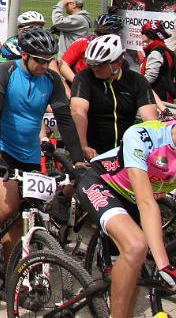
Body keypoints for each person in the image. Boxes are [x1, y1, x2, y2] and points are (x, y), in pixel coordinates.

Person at [0, 28, 87, 282]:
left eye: (48, 59)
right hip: (2, 147)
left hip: (29, 153)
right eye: (39, 60)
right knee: (8, 206)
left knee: (21, 218)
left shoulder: (51, 80)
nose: (44, 65)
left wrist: (78, 159)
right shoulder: (4, 72)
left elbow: (65, 119)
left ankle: (11, 280)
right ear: (25, 55)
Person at [74, 119, 176, 318]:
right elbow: (146, 203)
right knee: (136, 245)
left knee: (133, 282)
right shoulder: (145, 136)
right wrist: (164, 265)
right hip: (102, 184)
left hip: (134, 199)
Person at [72, 33, 159, 159]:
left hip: (127, 152)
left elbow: (150, 120)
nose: (94, 68)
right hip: (93, 151)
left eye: (100, 64)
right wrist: (83, 146)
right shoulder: (84, 77)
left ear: (118, 63)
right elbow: (78, 110)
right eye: (92, 64)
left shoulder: (137, 81)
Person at [59, 13, 123, 84]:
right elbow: (63, 65)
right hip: (81, 80)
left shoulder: (119, 48)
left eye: (105, 34)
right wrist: (78, 82)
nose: (100, 37)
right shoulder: (83, 42)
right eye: (98, 33)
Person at [141, 20, 176, 103]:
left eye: (143, 32)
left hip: (159, 97)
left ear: (150, 34)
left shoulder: (156, 52)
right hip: (165, 95)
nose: (141, 35)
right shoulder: (162, 48)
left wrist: (136, 85)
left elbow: (150, 78)